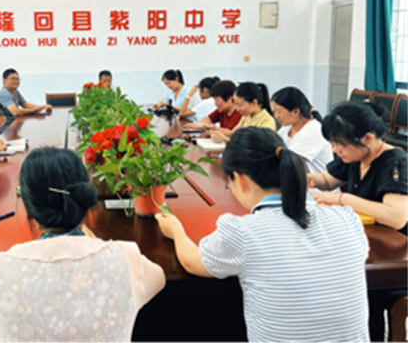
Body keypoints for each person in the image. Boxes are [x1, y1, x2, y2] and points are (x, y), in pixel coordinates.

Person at [156, 127, 370, 343]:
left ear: (240, 179)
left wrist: (177, 231)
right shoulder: (347, 219)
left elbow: (192, 262)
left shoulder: (243, 232)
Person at [0, 147, 165, 342]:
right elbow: (158, 278)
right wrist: (94, 241)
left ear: (29, 207)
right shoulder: (127, 260)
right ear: (83, 199)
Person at [309, 102, 408, 234]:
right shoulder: (356, 155)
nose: (335, 150)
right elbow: (327, 180)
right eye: (333, 144)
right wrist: (307, 179)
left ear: (367, 138)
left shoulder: (396, 163)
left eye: (341, 144)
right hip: (361, 232)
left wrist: (342, 199)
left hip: (391, 239)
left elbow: (396, 218)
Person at [271, 87, 333, 174]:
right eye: (274, 112)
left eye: (279, 112)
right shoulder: (287, 128)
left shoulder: (314, 131)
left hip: (316, 182)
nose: (276, 116)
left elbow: (288, 160)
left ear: (296, 111)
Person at [211, 82, 277, 143]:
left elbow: (255, 146)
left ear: (254, 102)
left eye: (240, 105)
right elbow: (233, 134)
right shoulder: (247, 116)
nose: (237, 109)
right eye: (235, 104)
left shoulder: (266, 121)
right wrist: (216, 131)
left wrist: (225, 139)